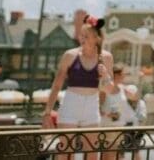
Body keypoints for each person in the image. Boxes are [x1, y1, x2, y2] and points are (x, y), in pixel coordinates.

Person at [43, 14, 115, 160]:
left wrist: (105, 75)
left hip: (92, 106)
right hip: (71, 103)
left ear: (97, 38)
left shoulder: (106, 57)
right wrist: (47, 112)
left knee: (92, 154)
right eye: (81, 35)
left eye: (86, 36)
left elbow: (110, 90)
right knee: (65, 152)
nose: (82, 38)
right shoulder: (70, 55)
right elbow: (56, 85)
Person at [100, 64, 139, 160]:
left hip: (119, 126)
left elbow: (135, 98)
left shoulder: (122, 89)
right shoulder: (105, 89)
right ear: (116, 75)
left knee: (114, 155)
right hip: (107, 126)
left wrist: (133, 94)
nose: (124, 76)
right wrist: (108, 114)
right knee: (108, 156)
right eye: (123, 74)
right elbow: (97, 108)